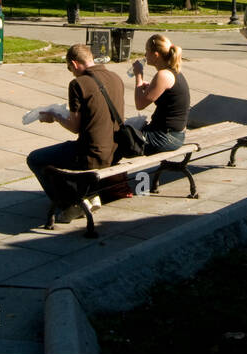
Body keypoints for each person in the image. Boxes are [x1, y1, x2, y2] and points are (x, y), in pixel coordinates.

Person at [27, 44, 125, 221]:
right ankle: (87, 194)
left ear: (74, 63)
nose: (71, 72)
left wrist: (54, 116)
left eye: (69, 68)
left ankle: (70, 204)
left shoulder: (78, 84)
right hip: (116, 151)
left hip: (91, 153)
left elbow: (75, 127)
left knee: (34, 158)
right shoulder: (116, 78)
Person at [131, 34, 190, 154]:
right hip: (175, 134)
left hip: (165, 137)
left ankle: (111, 172)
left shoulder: (163, 75)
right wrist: (149, 88)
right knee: (125, 133)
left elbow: (139, 104)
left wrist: (138, 75)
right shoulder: (172, 72)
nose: (145, 55)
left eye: (147, 51)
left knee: (119, 139)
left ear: (156, 55)